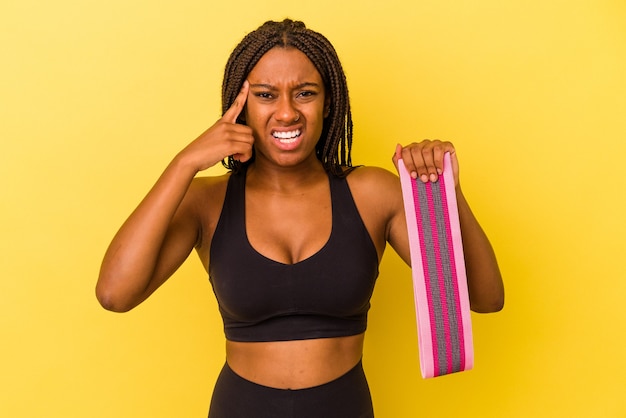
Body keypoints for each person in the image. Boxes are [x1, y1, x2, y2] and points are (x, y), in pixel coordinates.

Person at [96, 19, 504, 418]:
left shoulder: (372, 194)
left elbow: (485, 298)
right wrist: (184, 163)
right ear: (240, 107)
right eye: (266, 95)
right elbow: (115, 294)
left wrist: (447, 191)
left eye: (305, 93)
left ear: (329, 103)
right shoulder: (208, 201)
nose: (287, 113)